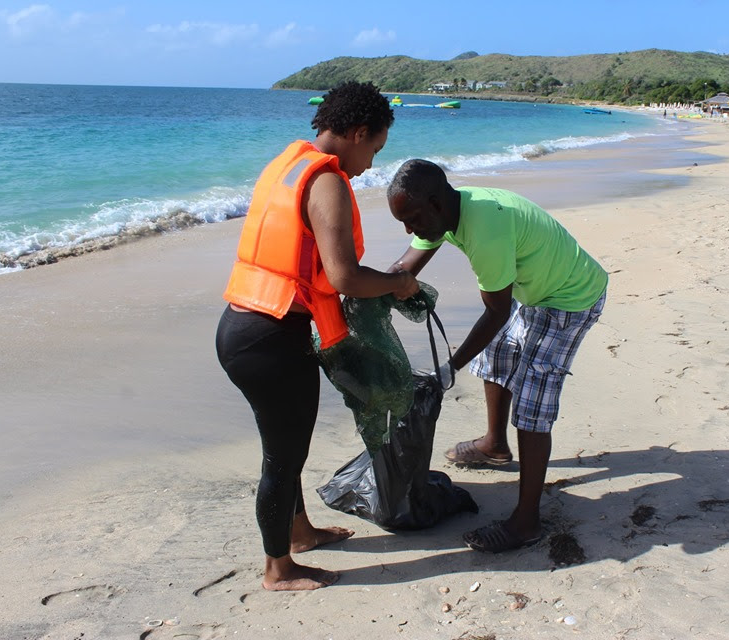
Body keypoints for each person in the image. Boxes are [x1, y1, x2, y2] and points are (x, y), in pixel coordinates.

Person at [215, 82, 418, 591]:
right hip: (269, 338)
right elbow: (345, 276)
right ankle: (277, 569)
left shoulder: (290, 163)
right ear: (357, 132)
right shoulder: (326, 182)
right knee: (282, 457)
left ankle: (301, 532)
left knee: (288, 447)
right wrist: (398, 283)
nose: (371, 164)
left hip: (246, 323)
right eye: (374, 149)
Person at [385, 159, 607, 553]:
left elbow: (496, 312)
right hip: (534, 290)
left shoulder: (484, 228)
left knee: (532, 401)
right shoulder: (445, 213)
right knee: (498, 356)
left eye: (412, 218)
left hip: (570, 297)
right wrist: (368, 293)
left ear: (435, 203)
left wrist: (449, 368)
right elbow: (404, 268)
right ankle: (494, 445)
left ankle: (526, 522)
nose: (408, 229)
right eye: (403, 221)